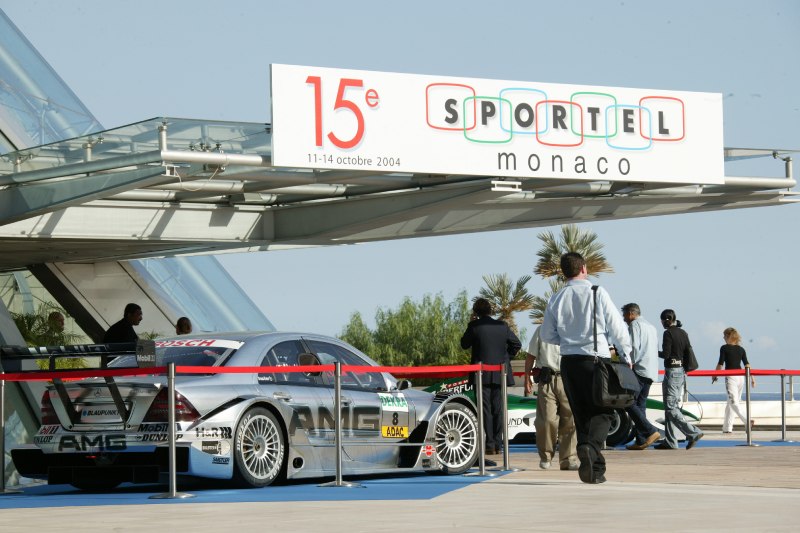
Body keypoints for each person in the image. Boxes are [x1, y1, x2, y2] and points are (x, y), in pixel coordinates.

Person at [541, 252, 632, 484]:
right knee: (604, 411)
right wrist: (626, 353)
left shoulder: (556, 297)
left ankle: (593, 469)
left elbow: (547, 335)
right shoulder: (597, 292)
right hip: (595, 360)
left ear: (564, 271)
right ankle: (588, 449)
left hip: (569, 363)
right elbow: (617, 326)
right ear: (584, 268)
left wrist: (568, 339)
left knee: (581, 414)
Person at [460, 297, 521, 456]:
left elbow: (464, 344)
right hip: (500, 372)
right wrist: (506, 358)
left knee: (485, 409)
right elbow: (517, 344)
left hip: (482, 374)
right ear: (490, 310)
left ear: (476, 312)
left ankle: (489, 444)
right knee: (499, 409)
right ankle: (498, 444)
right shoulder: (502, 326)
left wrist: (470, 323)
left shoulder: (474, 326)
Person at [526, 325, 578, 470]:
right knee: (547, 420)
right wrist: (526, 379)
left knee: (570, 420)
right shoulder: (541, 330)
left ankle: (568, 459)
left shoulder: (573, 330)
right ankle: (546, 456)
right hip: (547, 379)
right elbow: (531, 355)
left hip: (568, 379)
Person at [656, 309, 704, 450]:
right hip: (681, 372)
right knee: (671, 407)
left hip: (671, 372)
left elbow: (666, 354)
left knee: (671, 407)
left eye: (662, 321)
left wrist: (652, 351)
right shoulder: (683, 332)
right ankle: (671, 441)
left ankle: (693, 432)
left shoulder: (668, 333)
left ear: (665, 320)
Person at [621, 303, 662, 450]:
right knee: (640, 404)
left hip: (640, 369)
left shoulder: (635, 326)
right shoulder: (651, 327)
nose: (624, 319)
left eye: (625, 315)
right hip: (651, 370)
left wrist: (628, 362)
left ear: (632, 313)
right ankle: (641, 439)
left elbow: (633, 348)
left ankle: (650, 430)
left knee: (627, 401)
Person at [713, 327, 755, 433]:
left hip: (731, 377)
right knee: (731, 403)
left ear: (728, 336)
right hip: (741, 377)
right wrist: (752, 378)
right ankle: (727, 428)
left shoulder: (724, 348)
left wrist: (715, 374)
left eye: (724, 336)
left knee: (734, 402)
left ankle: (747, 421)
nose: (723, 338)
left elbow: (720, 363)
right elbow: (747, 364)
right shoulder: (741, 349)